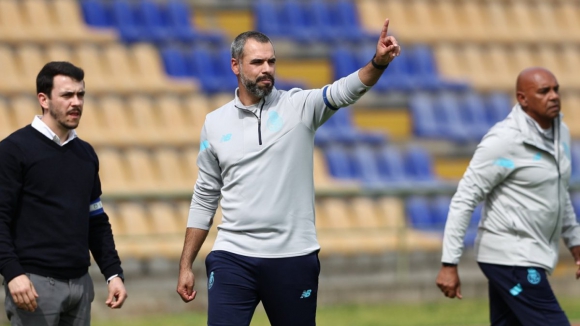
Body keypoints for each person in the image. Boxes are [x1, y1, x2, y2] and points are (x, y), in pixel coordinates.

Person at [176, 19, 400, 325]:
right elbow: (205, 196)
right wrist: (186, 264)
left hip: (293, 257)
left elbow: (346, 90)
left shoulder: (300, 106)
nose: (267, 68)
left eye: (271, 61)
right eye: (257, 62)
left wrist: (378, 63)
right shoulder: (214, 123)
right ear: (235, 66)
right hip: (232, 256)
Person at [436, 67, 580, 325]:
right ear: (522, 99)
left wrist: (576, 245)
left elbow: (558, 194)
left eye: (556, 89)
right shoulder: (503, 141)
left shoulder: (562, 134)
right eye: (544, 91)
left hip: (531, 255)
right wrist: (449, 262)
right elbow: (464, 198)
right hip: (511, 257)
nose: (554, 96)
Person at [0, 61, 128, 325]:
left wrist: (113, 273)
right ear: (43, 99)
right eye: (67, 95)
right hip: (33, 286)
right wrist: (12, 273)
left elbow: (96, 219)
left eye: (80, 94)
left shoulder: (86, 154)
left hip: (80, 286)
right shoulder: (13, 150)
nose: (76, 102)